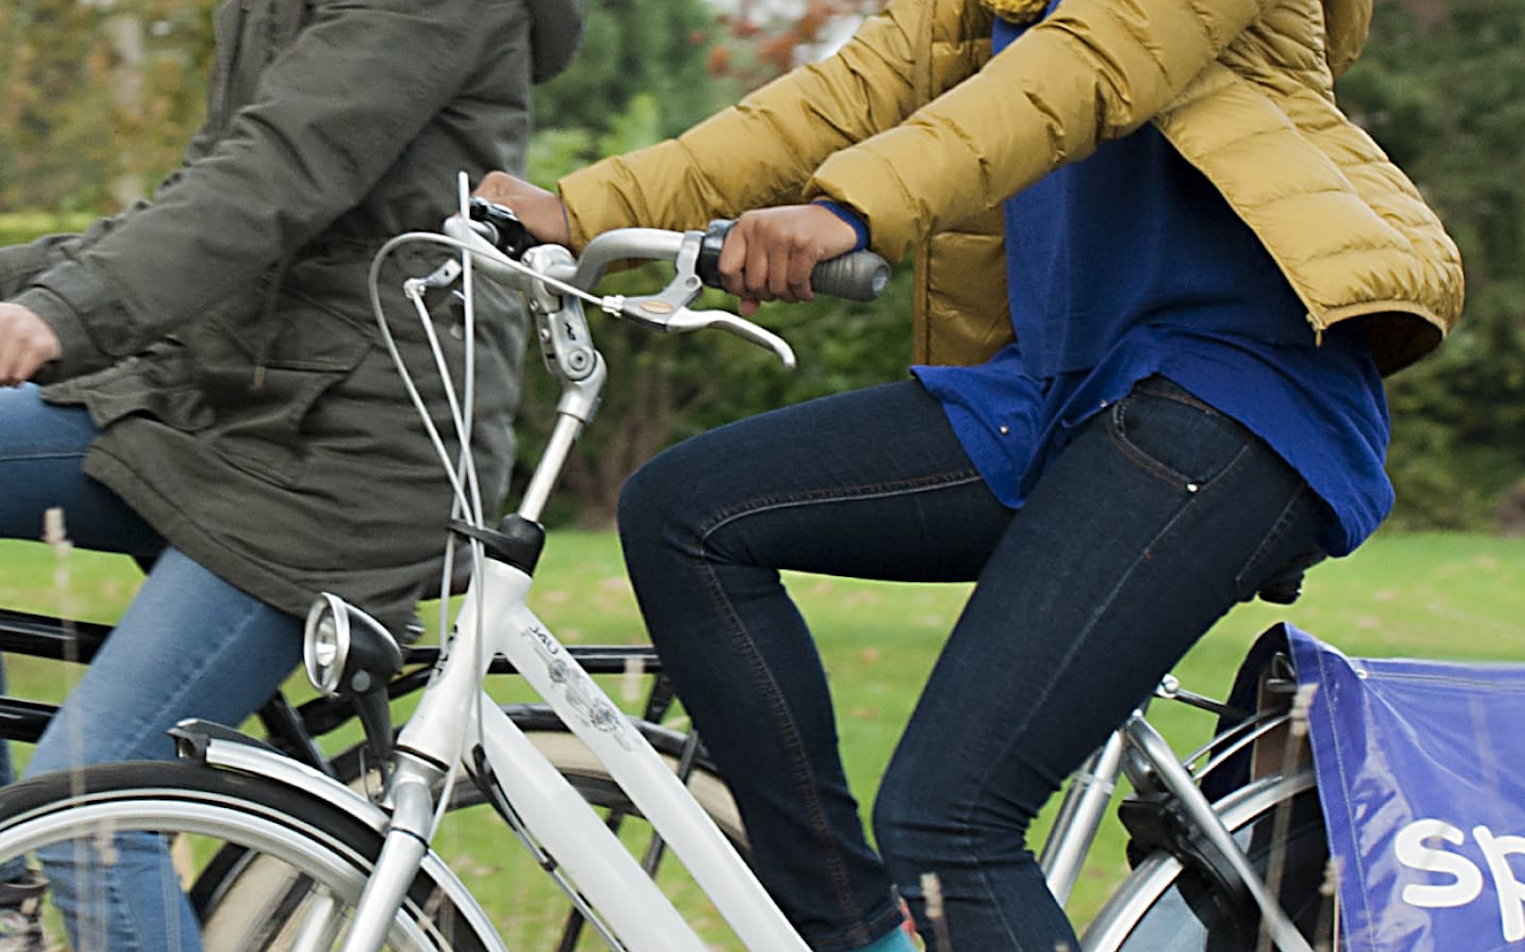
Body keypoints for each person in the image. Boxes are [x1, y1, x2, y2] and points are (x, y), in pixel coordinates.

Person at [478, 0, 1461, 943]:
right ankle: (858, 937)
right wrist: (581, 208)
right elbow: (853, 91)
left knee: (949, 818)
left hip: (1230, 391)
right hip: (1056, 395)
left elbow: (1083, 64)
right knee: (685, 511)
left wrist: (851, 209)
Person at [0, 0, 584, 948]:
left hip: (351, 449)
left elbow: (278, 176)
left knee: (96, 796)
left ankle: (25, 849)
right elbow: (202, 187)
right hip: (213, 397)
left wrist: (68, 313)